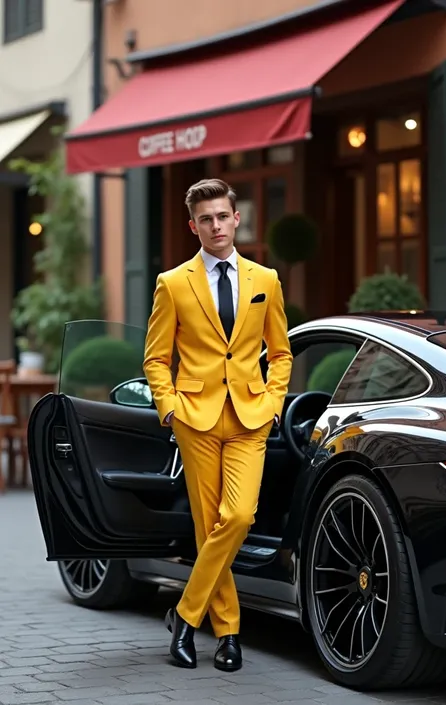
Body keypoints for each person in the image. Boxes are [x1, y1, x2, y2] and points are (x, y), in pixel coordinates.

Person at [143, 178, 292, 672]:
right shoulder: (173, 283)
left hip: (250, 416)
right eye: (205, 219)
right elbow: (156, 358)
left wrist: (273, 402)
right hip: (196, 418)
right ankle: (228, 635)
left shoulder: (265, 280)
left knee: (240, 517)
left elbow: (282, 351)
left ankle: (185, 618)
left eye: (222, 216)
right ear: (194, 226)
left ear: (236, 218)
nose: (215, 225)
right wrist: (170, 407)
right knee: (211, 526)